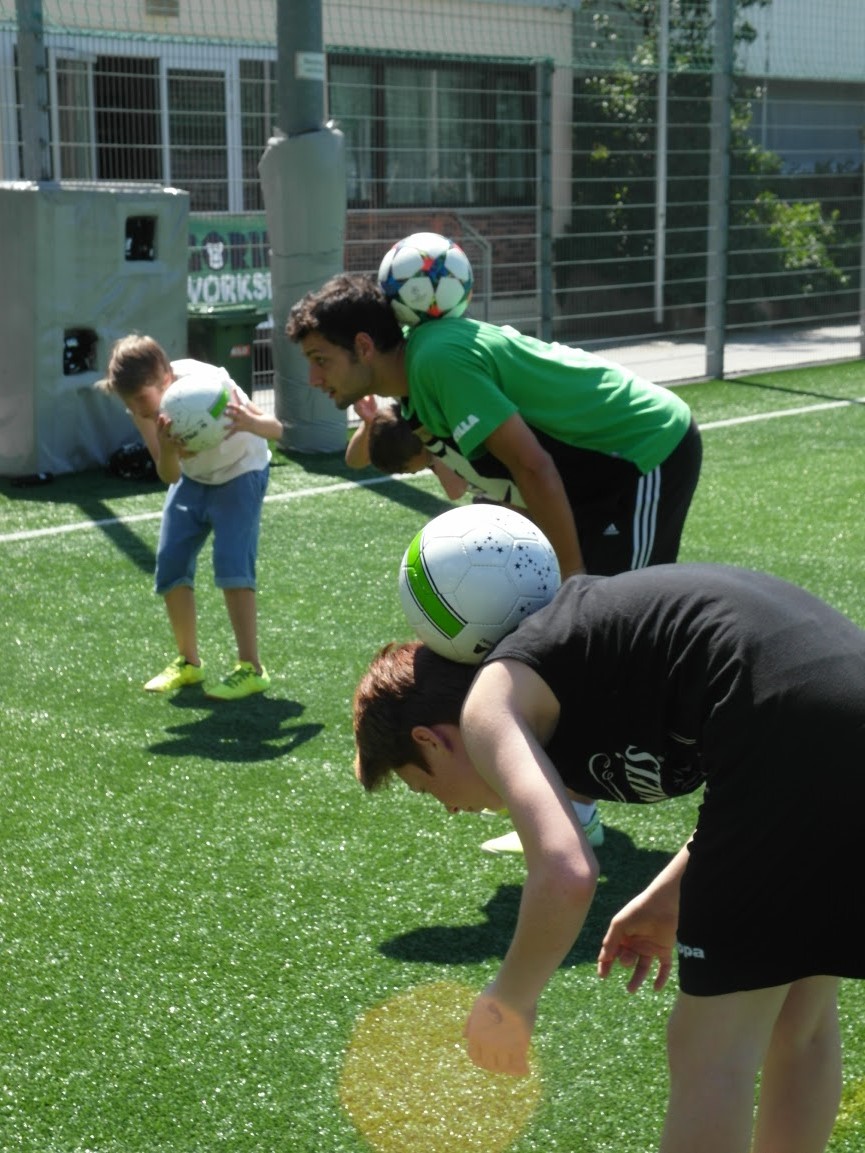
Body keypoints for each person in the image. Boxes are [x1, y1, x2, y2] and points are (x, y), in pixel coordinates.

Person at [352, 562, 865, 1153]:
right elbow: (758, 763)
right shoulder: (566, 670)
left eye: (425, 787)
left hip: (793, 732)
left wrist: (509, 1000)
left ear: (431, 740)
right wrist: (671, 892)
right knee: (799, 1020)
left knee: (710, 1052)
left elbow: (567, 872)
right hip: (837, 707)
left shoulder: (488, 705)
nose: (448, 808)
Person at [288, 272, 701, 853]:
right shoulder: (415, 394)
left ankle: (606, 800)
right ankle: (567, 806)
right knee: (569, 642)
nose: (313, 378)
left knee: (609, 636)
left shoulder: (437, 360)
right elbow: (502, 482)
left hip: (640, 452)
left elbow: (535, 466)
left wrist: (575, 585)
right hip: (587, 482)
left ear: (362, 345)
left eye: (320, 359)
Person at [101, 333, 283, 699]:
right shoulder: (142, 409)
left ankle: (251, 668)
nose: (137, 409)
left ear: (166, 378)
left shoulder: (212, 387)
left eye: (141, 400)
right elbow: (168, 474)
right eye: (129, 403)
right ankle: (188, 662)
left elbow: (275, 429)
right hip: (193, 480)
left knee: (232, 566)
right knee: (171, 563)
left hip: (241, 472)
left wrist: (250, 423)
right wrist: (169, 451)